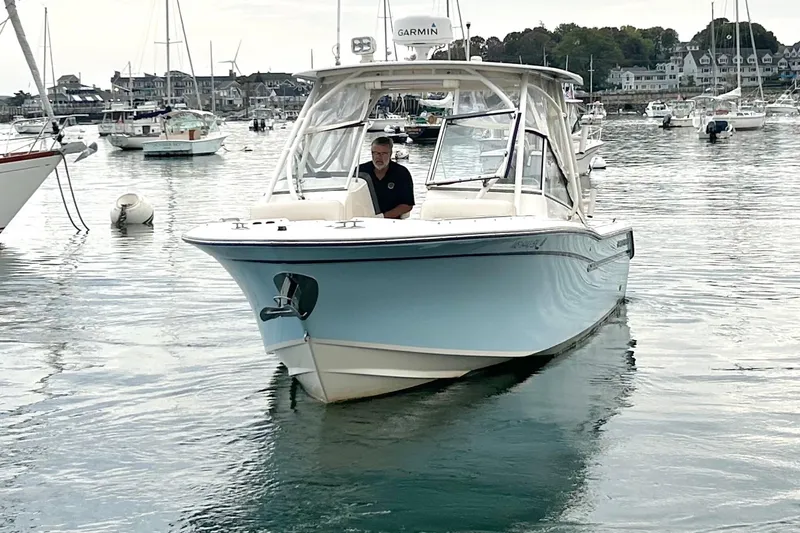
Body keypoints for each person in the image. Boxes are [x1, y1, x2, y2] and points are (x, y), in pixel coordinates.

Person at [357, 137, 414, 219]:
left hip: (392, 222)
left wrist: (383, 217)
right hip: (363, 219)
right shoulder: (360, 172)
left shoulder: (401, 173)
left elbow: (407, 205)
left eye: (383, 153)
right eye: (376, 153)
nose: (379, 157)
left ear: (390, 154)